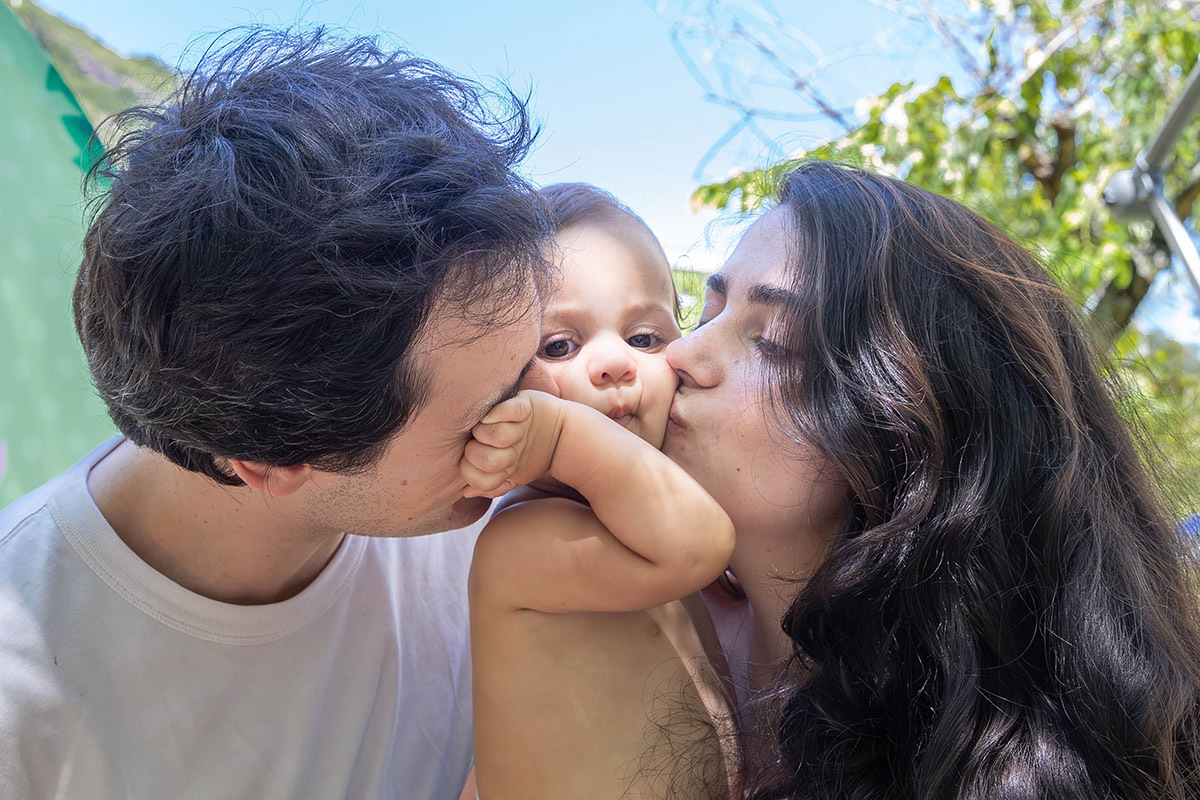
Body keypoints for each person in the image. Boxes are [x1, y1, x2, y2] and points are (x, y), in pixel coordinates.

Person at [0, 28, 551, 799]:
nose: (549, 415)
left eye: (543, 352)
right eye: (487, 412)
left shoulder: (501, 529)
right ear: (268, 459)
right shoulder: (20, 701)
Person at [664, 160, 1200, 798]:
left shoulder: (1019, 776)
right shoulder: (615, 613)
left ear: (916, 438)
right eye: (704, 315)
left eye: (773, 339)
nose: (679, 355)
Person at [460, 184, 737, 799]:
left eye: (644, 338)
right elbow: (699, 543)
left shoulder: (638, 508)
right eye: (560, 345)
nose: (614, 362)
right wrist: (559, 438)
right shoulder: (521, 539)